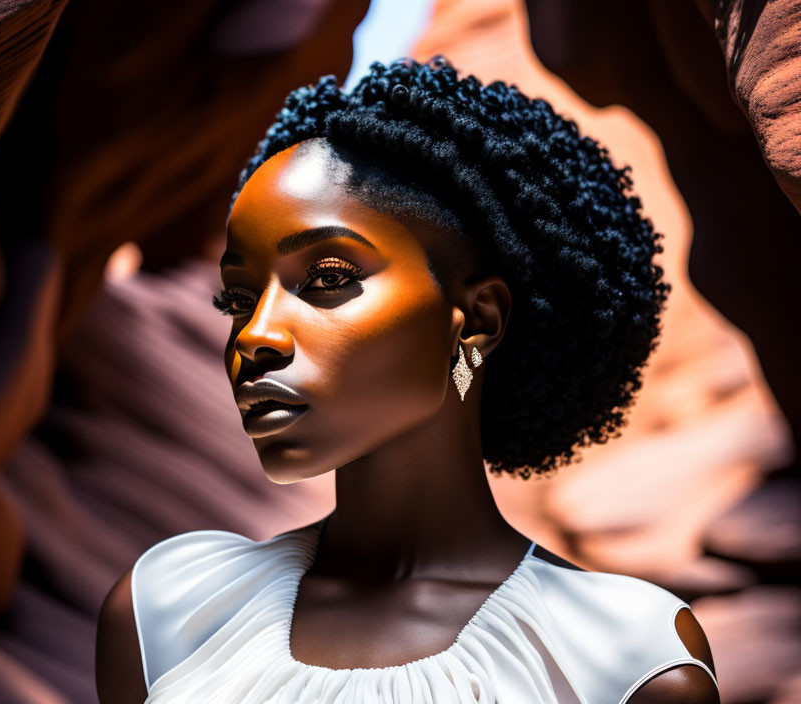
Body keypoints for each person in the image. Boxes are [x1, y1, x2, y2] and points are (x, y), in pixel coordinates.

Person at [96, 57, 720, 703]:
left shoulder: (621, 662)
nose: (254, 336)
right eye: (237, 299)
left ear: (477, 321)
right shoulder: (168, 610)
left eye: (328, 279)